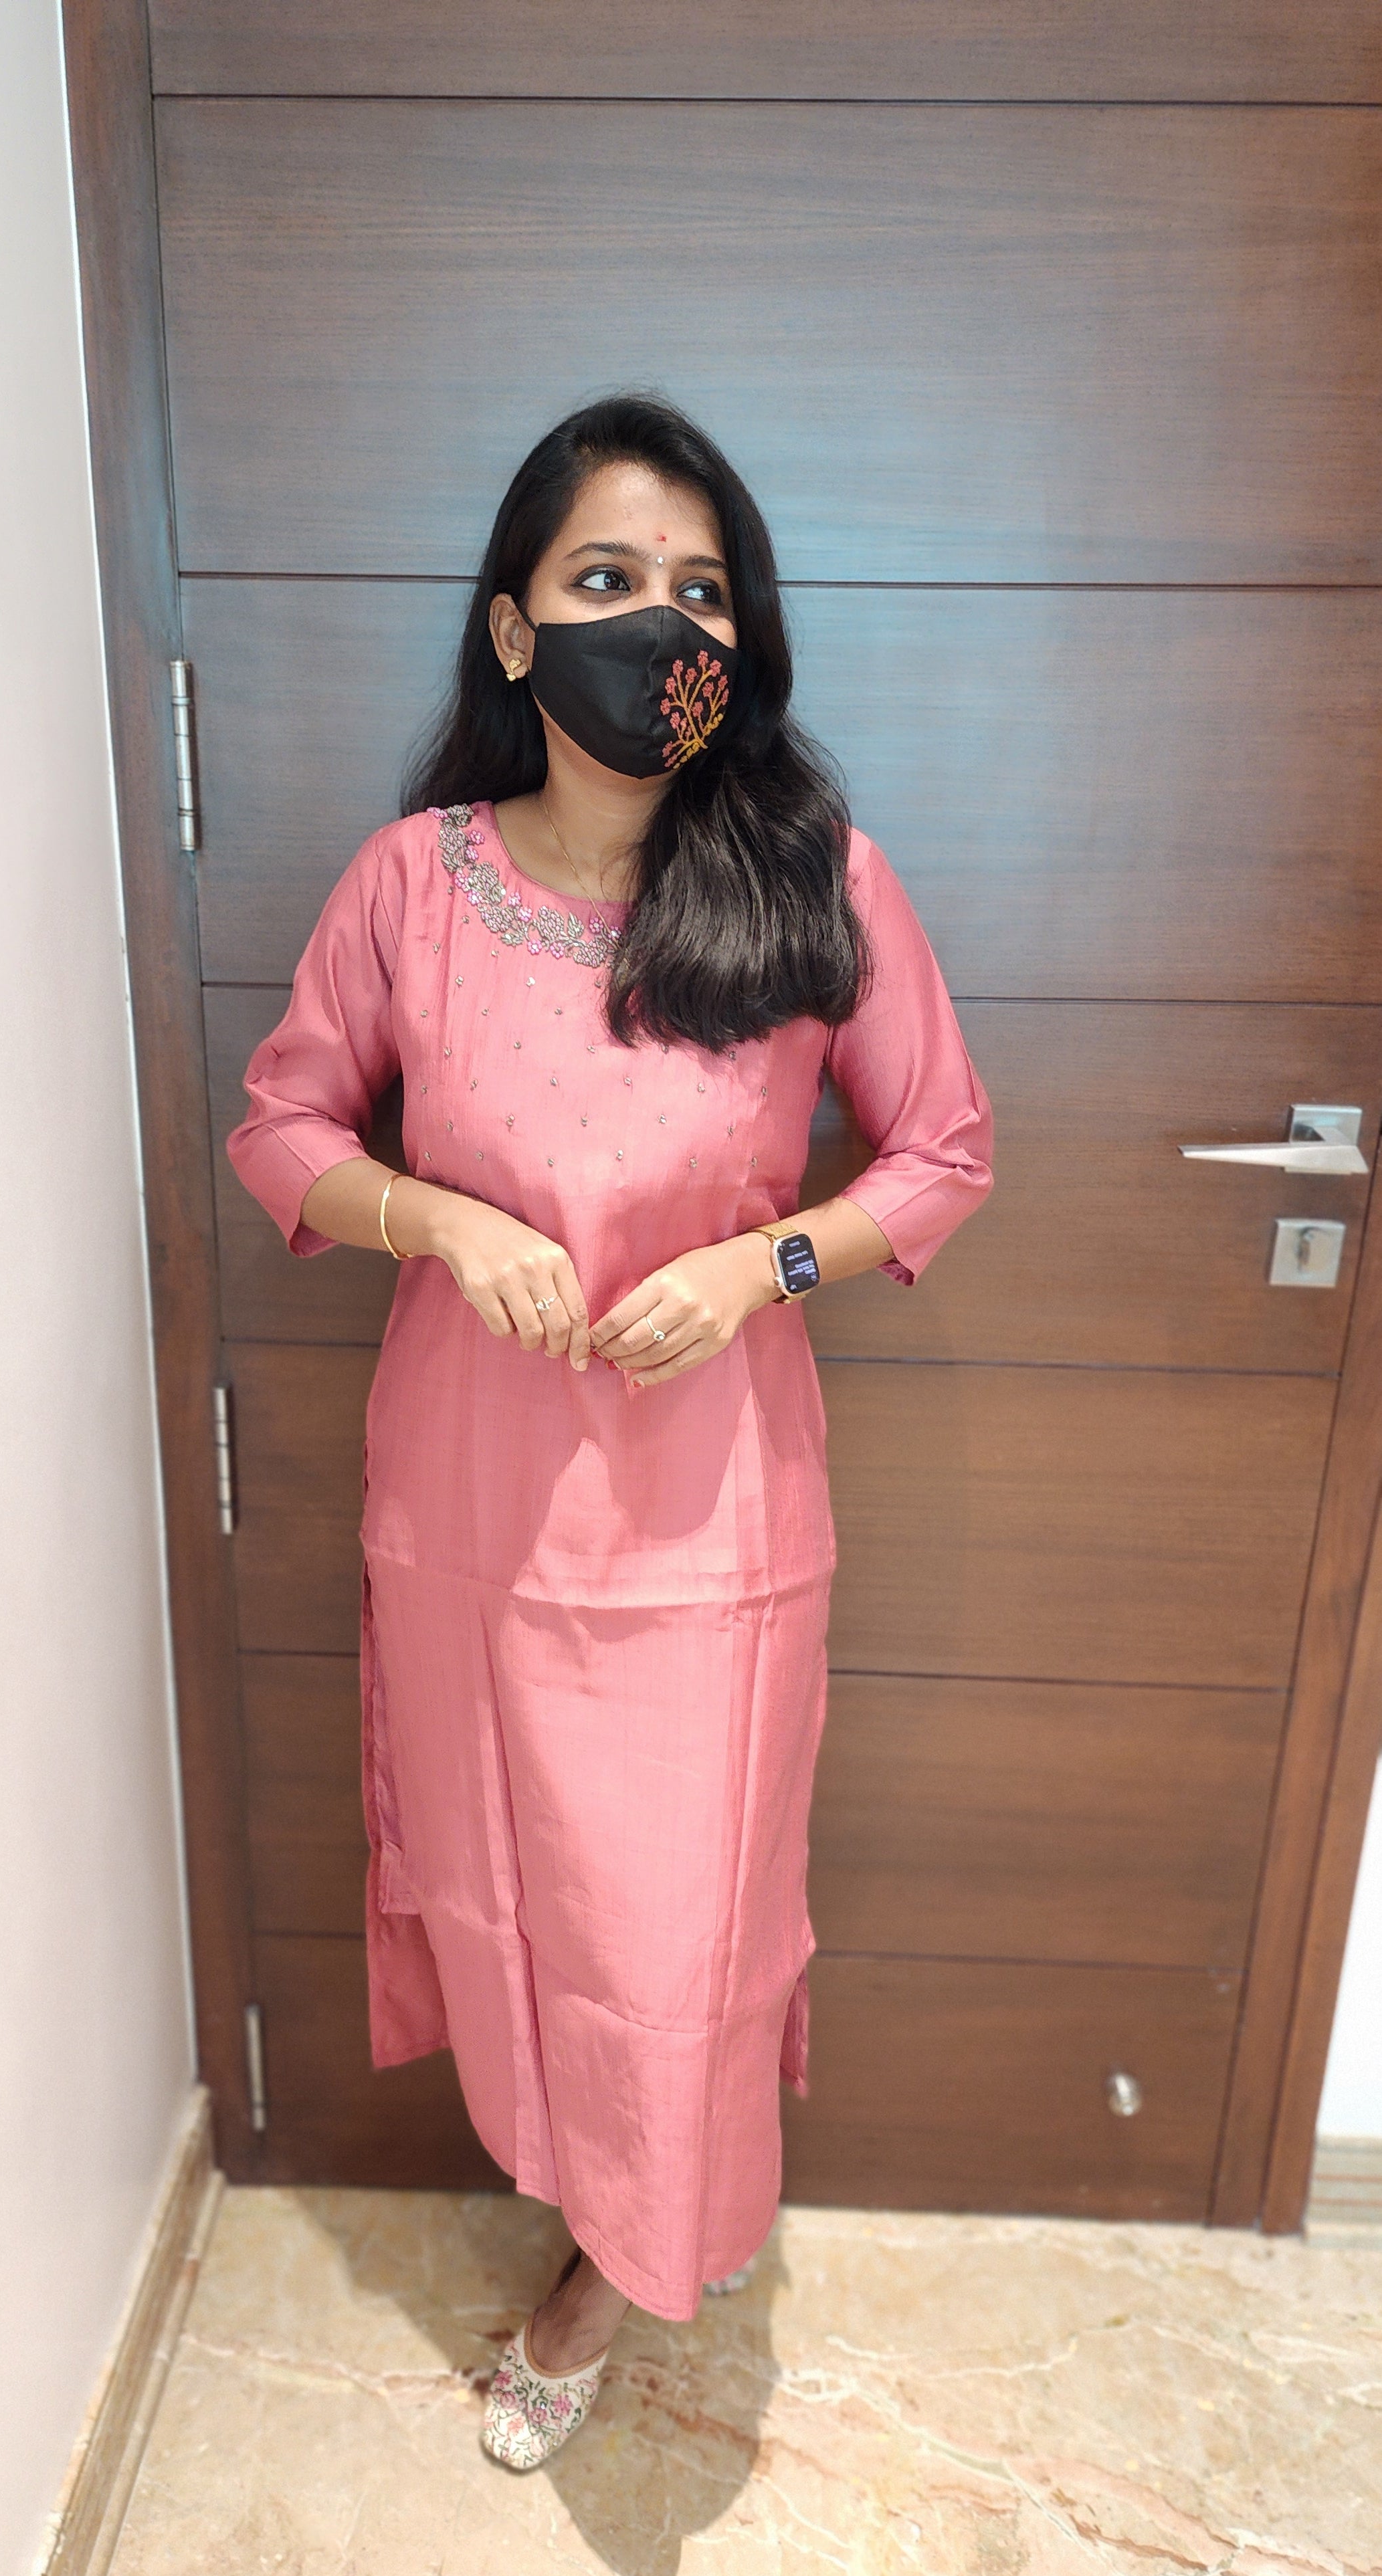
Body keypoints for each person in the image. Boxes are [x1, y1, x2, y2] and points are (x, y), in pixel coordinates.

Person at [226, 395, 993, 2472]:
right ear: (512, 631)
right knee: (511, 1881)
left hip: (708, 1519)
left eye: (699, 588)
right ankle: (593, 2188)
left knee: (682, 1908)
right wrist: (433, 1216)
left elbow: (939, 1153)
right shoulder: (410, 888)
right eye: (604, 579)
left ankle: (629, 2255)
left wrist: (765, 1266)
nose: (661, 623)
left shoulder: (816, 878)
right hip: (468, 1502)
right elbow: (281, 1126)